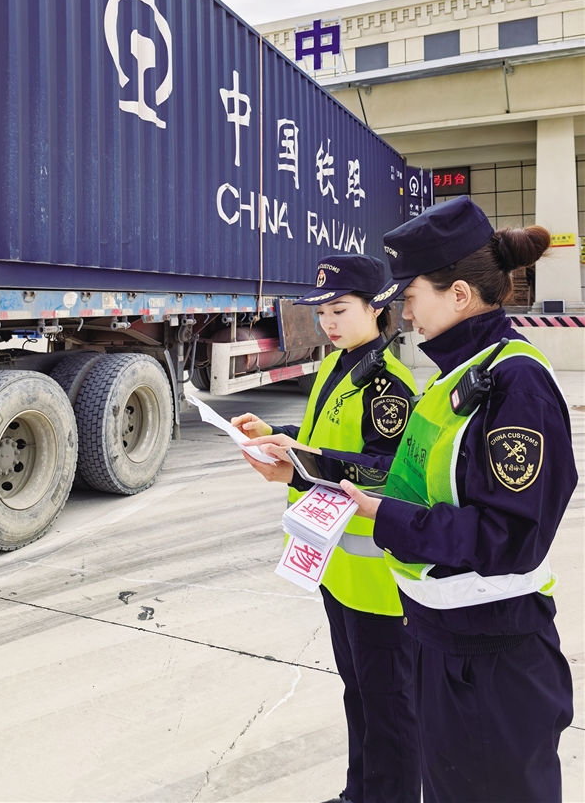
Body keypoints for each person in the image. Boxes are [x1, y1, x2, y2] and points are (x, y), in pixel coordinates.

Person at [339, 196, 576, 803]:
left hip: (492, 659)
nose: (405, 312)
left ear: (461, 295)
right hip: (439, 639)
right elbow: (409, 473)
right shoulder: (456, 374)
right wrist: (305, 465)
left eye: (411, 295)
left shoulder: (517, 383)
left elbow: (511, 536)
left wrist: (387, 519)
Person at [233, 254, 422, 803]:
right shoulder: (339, 365)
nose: (328, 322)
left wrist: (298, 465)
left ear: (376, 308)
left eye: (340, 310)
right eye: (322, 312)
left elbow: (384, 471)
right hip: (338, 570)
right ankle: (358, 793)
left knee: (389, 709)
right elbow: (326, 438)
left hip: (378, 585)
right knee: (358, 693)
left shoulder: (387, 384)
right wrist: (276, 433)